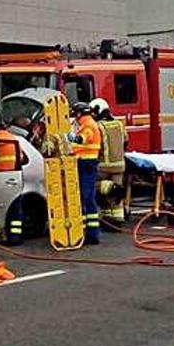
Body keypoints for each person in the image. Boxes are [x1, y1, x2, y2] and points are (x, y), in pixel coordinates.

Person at [90, 98, 128, 225]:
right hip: (120, 165)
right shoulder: (119, 124)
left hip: (103, 166)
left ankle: (110, 188)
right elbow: (126, 141)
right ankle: (117, 218)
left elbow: (95, 146)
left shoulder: (98, 126)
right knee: (117, 195)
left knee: (91, 185)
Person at [70, 102, 103, 244]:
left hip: (86, 164)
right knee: (87, 198)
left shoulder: (88, 124)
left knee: (85, 197)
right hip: (86, 163)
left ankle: (89, 234)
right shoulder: (87, 123)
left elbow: (82, 139)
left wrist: (70, 137)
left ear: (79, 113)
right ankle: (89, 233)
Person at [0, 122, 27, 246]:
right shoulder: (13, 139)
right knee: (15, 209)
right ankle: (15, 237)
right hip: (14, 177)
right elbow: (22, 158)